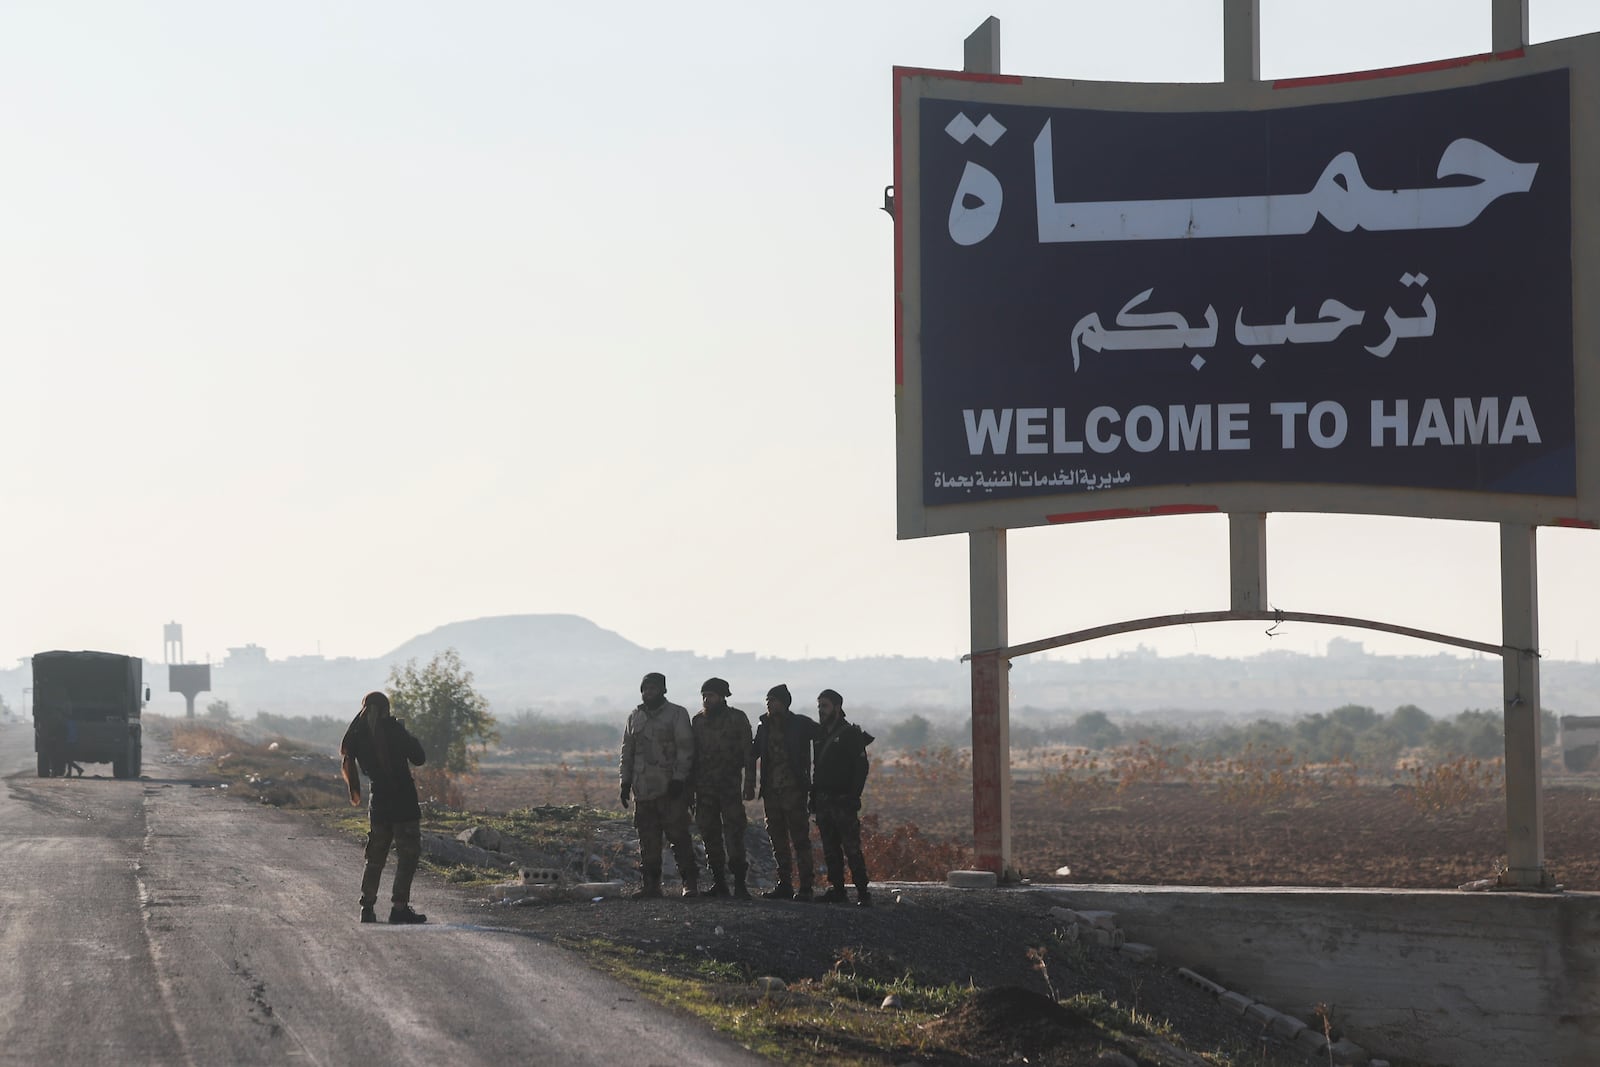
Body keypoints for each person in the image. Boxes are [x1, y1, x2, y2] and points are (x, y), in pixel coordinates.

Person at [340, 690, 429, 924]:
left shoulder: (357, 735)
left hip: (379, 804)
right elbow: (419, 757)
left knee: (375, 857)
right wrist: (407, 734)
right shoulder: (393, 729)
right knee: (407, 855)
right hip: (404, 803)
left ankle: (367, 908)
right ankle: (399, 908)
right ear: (387, 709)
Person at [619, 672, 699, 898]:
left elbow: (686, 749)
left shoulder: (676, 714)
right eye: (645, 689)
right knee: (648, 839)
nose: (648, 693)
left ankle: (690, 883)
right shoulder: (635, 717)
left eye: (653, 689)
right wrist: (625, 783)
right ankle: (651, 886)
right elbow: (627, 752)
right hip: (643, 790)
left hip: (670, 788)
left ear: (663, 690)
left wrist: (679, 779)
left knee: (679, 837)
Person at [689, 677, 757, 899]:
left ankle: (739, 884)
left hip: (729, 788)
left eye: (711, 696)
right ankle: (719, 882)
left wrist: (749, 785)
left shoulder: (737, 719)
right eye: (704, 696)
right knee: (709, 835)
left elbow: (749, 755)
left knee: (734, 835)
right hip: (704, 789)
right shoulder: (698, 722)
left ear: (723, 697)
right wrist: (690, 790)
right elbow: (692, 757)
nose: (707, 700)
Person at [751, 683, 818, 900]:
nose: (770, 704)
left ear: (785, 703)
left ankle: (806, 886)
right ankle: (785, 884)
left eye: (775, 700)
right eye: (768, 700)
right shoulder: (764, 727)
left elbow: (825, 734)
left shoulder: (800, 724)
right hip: (772, 792)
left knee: (800, 840)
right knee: (777, 840)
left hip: (795, 791)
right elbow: (752, 753)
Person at [811, 688, 875, 907]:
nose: (821, 710)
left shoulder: (849, 734)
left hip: (843, 800)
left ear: (837, 707)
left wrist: (853, 796)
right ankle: (837, 890)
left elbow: (861, 767)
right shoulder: (820, 734)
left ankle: (863, 892)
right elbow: (817, 769)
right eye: (819, 706)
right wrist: (814, 797)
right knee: (830, 848)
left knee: (851, 848)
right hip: (824, 800)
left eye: (825, 706)